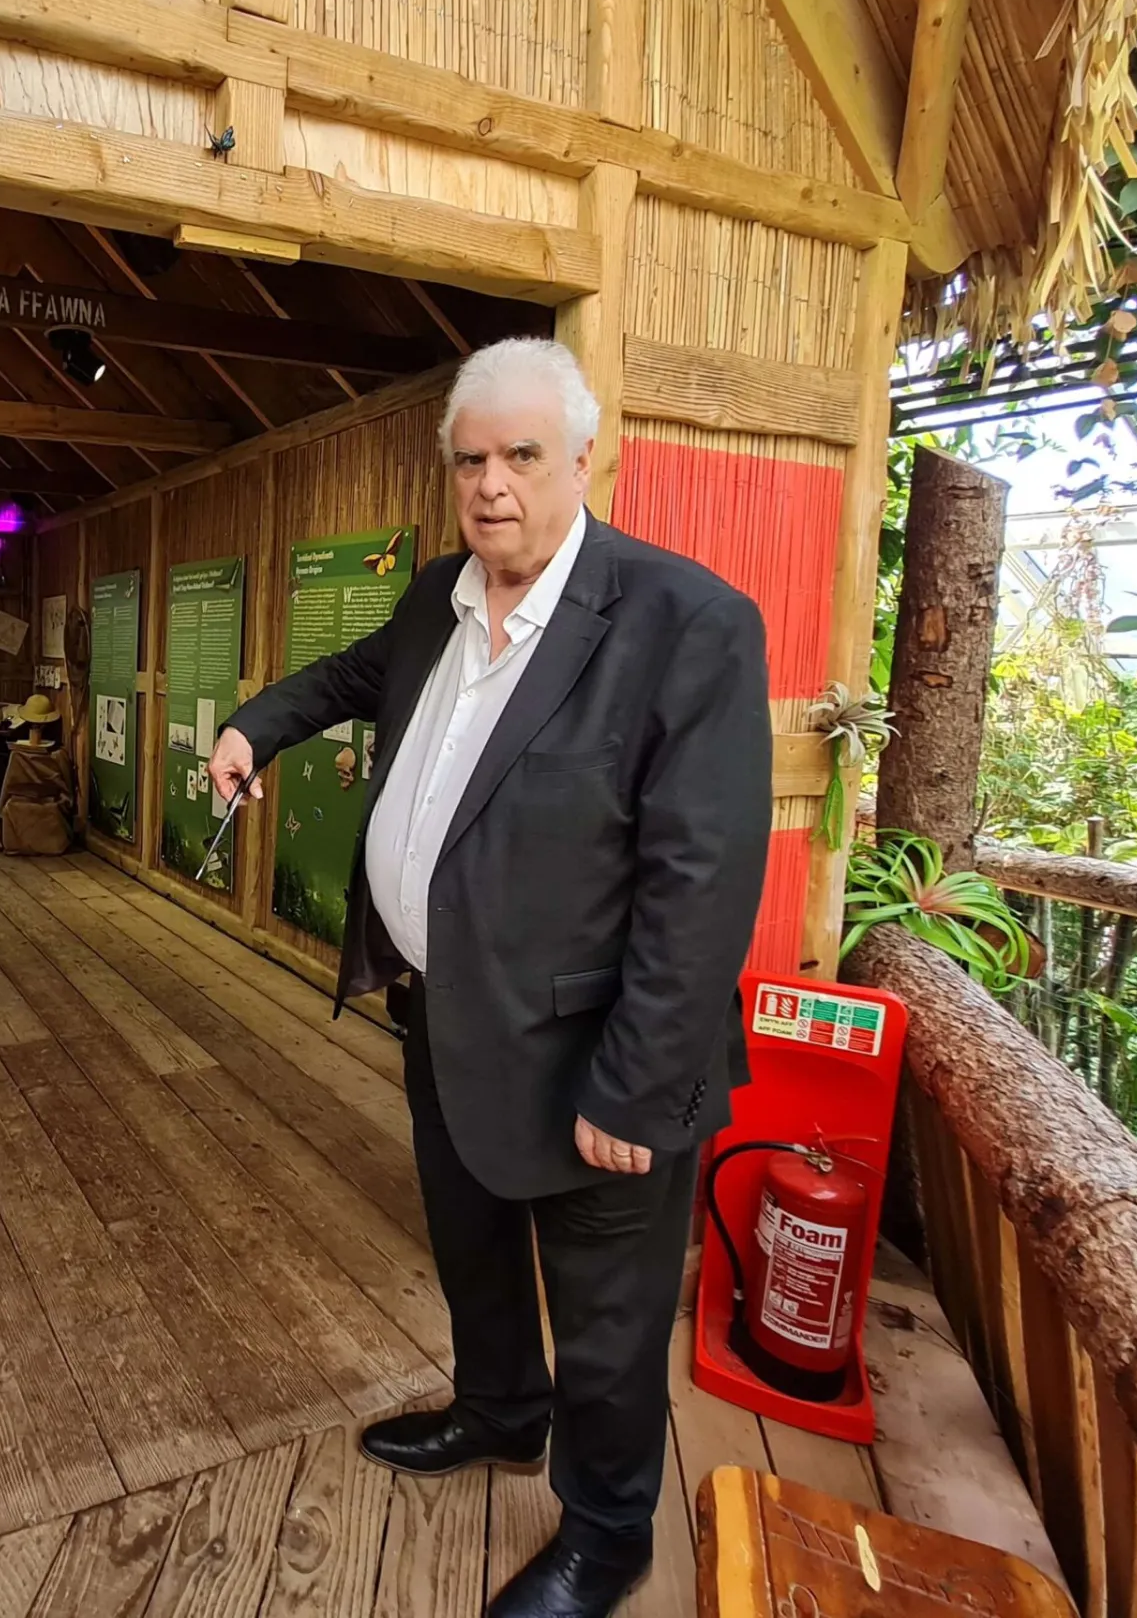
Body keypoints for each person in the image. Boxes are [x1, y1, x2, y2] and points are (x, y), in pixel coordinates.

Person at [209, 338, 772, 1618]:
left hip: (602, 1060)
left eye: (522, 456)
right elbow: (353, 678)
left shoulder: (683, 622)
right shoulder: (440, 599)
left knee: (612, 1320)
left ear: (585, 459)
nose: (492, 485)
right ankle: (501, 1410)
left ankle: (607, 1531)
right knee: (470, 1244)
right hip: (443, 1014)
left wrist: (637, 1090)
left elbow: (703, 885)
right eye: (471, 460)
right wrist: (256, 724)